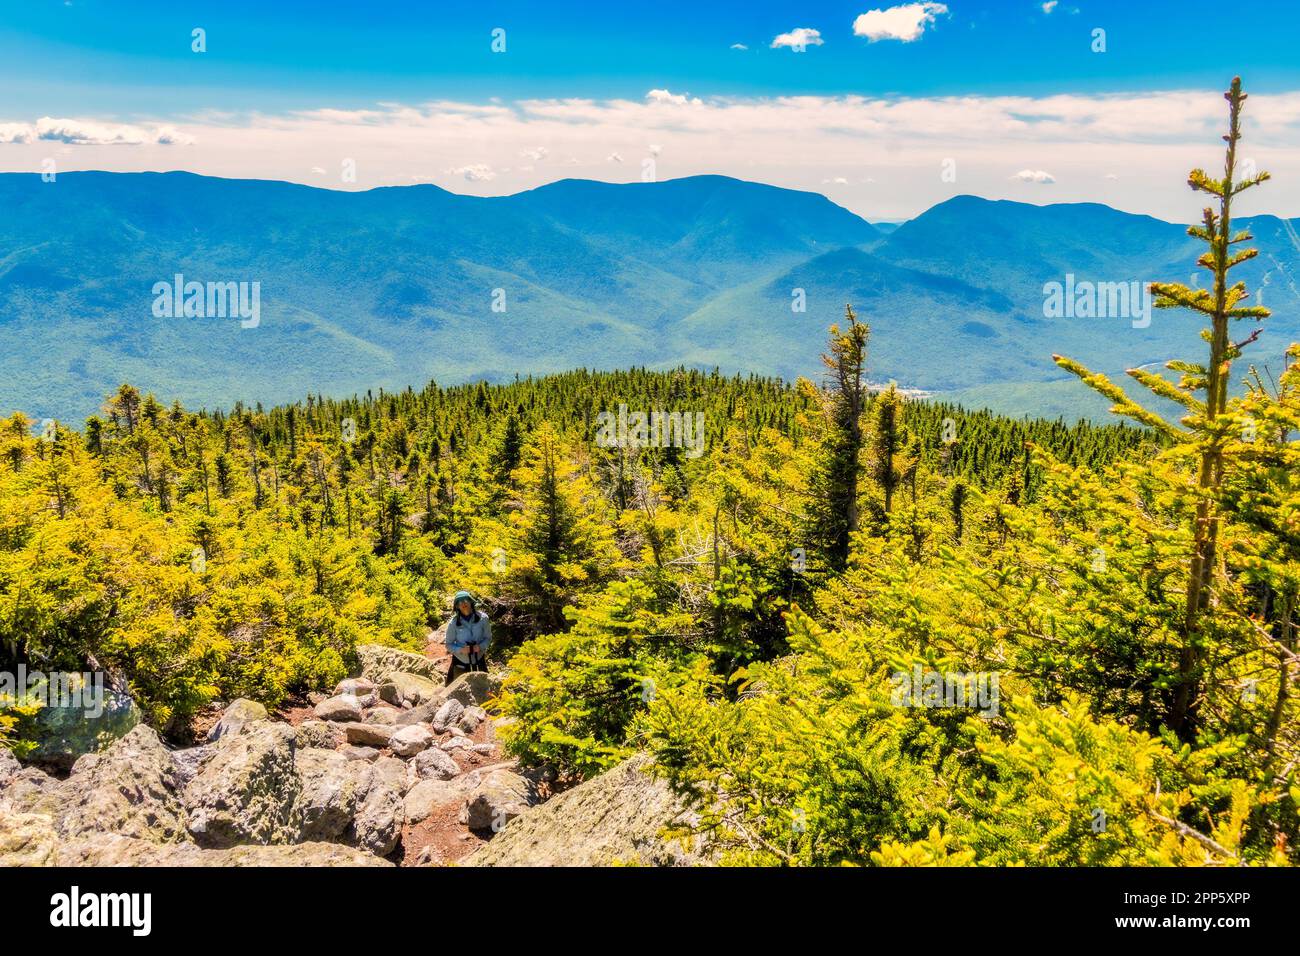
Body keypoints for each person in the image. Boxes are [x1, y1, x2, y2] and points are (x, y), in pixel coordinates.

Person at [444, 590, 491, 685]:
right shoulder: (453, 623)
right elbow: (448, 644)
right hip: (460, 661)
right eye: (460, 602)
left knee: (485, 689)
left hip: (479, 659)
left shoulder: (483, 618)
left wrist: (480, 646)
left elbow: (488, 638)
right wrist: (460, 649)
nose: (463, 603)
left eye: (465, 600)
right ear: (457, 606)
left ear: (471, 601)